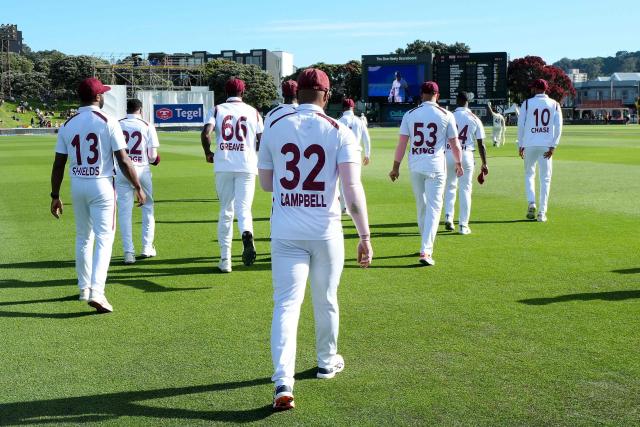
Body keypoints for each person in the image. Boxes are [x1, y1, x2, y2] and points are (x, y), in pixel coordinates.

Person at [258, 68, 373, 411]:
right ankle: (326, 361)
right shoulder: (340, 131)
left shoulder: (275, 127)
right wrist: (364, 235)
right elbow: (352, 191)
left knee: (285, 305)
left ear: (298, 91)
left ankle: (282, 380)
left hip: (286, 230)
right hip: (325, 230)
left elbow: (266, 184)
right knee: (325, 298)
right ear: (326, 94)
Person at [50, 78, 146, 313]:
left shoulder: (68, 124)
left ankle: (84, 288)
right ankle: (98, 292)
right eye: (102, 93)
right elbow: (123, 160)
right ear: (98, 97)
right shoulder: (108, 121)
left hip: (77, 184)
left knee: (83, 237)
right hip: (102, 185)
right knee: (104, 238)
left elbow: (58, 164)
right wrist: (137, 186)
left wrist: (54, 195)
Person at [389, 81, 462, 266]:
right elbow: (454, 143)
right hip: (436, 166)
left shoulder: (410, 114)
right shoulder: (446, 114)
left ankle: (424, 243)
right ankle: (426, 250)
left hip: (415, 166)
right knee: (434, 208)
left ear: (422, 94)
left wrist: (395, 167)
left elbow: (402, 144)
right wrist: (459, 163)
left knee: (422, 206)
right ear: (437, 94)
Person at [201, 77, 263, 273]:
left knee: (225, 211)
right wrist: (253, 153)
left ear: (226, 92)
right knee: (244, 209)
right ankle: (247, 233)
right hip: (247, 165)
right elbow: (261, 139)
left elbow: (206, 133)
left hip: (224, 164)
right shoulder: (253, 112)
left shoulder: (218, 109)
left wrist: (208, 153)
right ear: (242, 93)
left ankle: (225, 259)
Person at [117, 99, 161, 264]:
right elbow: (152, 156)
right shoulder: (147, 125)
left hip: (122, 171)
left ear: (126, 109)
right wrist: (156, 160)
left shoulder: (117, 123)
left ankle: (129, 252)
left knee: (125, 213)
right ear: (140, 110)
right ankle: (147, 247)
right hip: (142, 170)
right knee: (148, 208)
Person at [517, 78, 563, 222]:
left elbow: (521, 125)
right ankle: (542, 213)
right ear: (546, 89)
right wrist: (553, 146)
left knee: (529, 175)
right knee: (545, 179)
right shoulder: (554, 104)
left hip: (530, 144)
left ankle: (531, 202)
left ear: (535, 89)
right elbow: (559, 127)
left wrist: (521, 145)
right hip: (546, 145)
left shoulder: (527, 103)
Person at [443, 92, 488, 234]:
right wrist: (484, 163)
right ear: (468, 101)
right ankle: (463, 225)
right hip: (467, 155)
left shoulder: (448, 115)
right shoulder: (474, 118)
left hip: (449, 154)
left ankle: (449, 218)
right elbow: (481, 144)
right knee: (465, 190)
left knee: (449, 186)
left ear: (456, 100)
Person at [338, 98, 372, 213]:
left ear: (343, 108)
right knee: (355, 182)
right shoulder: (359, 121)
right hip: (355, 154)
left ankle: (344, 207)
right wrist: (367, 154)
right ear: (353, 108)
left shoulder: (339, 121)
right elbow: (366, 139)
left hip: (342, 154)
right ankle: (356, 208)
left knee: (343, 182)